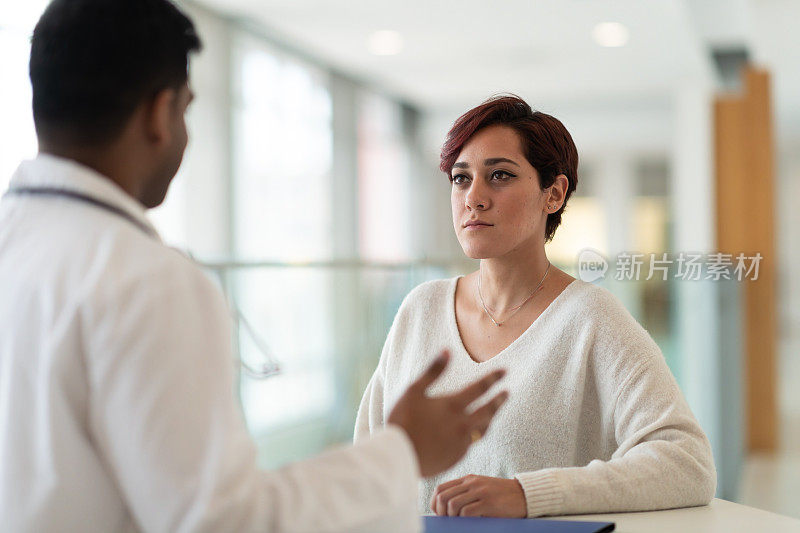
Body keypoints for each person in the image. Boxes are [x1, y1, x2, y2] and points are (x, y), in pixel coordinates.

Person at [0, 1, 509, 532]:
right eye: (186, 111)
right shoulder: (147, 280)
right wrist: (402, 452)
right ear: (159, 112)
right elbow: (224, 522)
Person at [355, 95, 717, 518]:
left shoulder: (591, 318)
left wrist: (529, 494)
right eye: (460, 178)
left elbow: (687, 462)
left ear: (554, 194)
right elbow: (367, 459)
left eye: (500, 176)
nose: (474, 197)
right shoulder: (420, 309)